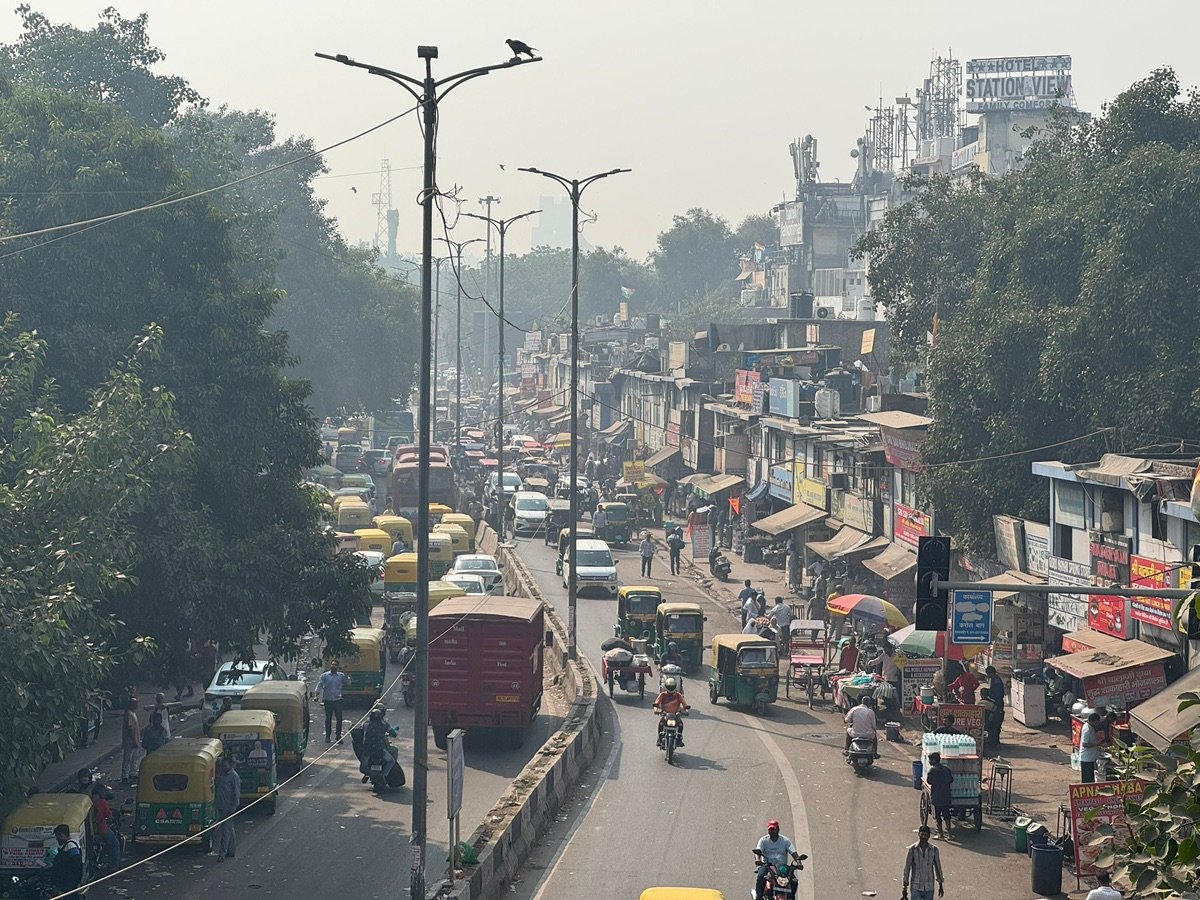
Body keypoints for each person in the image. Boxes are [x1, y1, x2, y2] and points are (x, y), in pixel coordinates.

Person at [753, 820, 804, 900]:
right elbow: (758, 851)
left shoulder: (785, 841)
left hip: (781, 868)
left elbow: (794, 853)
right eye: (770, 829)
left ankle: (791, 897)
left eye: (773, 829)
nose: (772, 832)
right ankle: (758, 897)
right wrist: (757, 859)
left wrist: (799, 863)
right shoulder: (763, 840)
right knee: (761, 876)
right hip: (767, 866)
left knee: (794, 881)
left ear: (778, 829)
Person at [901, 824, 945, 900]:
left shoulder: (934, 850)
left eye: (926, 835)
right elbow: (907, 868)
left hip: (929, 887)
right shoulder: (912, 849)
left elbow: (938, 868)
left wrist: (940, 885)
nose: (924, 837)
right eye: (922, 834)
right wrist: (905, 886)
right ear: (918, 834)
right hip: (916, 886)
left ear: (929, 836)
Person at [361, 705, 399, 783]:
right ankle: (383, 776)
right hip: (379, 749)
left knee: (363, 768)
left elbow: (360, 730)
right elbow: (393, 733)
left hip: (368, 750)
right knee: (391, 761)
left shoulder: (366, 723)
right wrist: (394, 732)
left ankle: (369, 774)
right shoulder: (384, 724)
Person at [315, 662, 351, 744]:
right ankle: (327, 736)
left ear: (337, 666)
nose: (333, 666)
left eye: (335, 665)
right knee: (328, 718)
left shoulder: (341, 676)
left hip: (338, 699)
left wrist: (345, 673)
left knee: (339, 718)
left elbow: (348, 683)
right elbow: (319, 685)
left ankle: (338, 736)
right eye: (332, 664)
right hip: (328, 700)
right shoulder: (325, 676)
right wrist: (316, 695)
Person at [924, 752, 955, 840]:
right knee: (947, 815)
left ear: (934, 760)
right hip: (946, 795)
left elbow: (929, 781)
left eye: (930, 760)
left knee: (937, 816)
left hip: (936, 796)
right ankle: (949, 835)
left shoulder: (932, 771)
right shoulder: (946, 769)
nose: (929, 761)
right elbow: (951, 780)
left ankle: (941, 835)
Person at [215, 756, 240, 860]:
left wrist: (233, 807)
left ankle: (222, 854)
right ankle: (231, 850)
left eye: (225, 766)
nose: (224, 767)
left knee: (225, 831)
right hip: (221, 806)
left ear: (230, 765)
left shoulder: (234, 777)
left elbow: (236, 793)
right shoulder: (222, 774)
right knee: (229, 829)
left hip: (228, 808)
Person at [653, 676, 689, 748]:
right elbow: (656, 703)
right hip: (665, 715)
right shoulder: (662, 695)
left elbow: (685, 704)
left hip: (676, 715)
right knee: (661, 724)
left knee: (680, 724)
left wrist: (686, 710)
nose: (671, 688)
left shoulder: (678, 695)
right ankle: (659, 739)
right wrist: (656, 710)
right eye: (669, 686)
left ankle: (679, 738)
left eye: (672, 686)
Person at [91, 784, 120, 870]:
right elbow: (109, 814)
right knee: (115, 844)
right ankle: (115, 866)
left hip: (93, 830)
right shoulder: (102, 802)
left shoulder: (91, 803)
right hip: (102, 830)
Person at [48, 824, 84, 893]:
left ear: (62, 835)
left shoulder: (71, 847)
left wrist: (75, 883)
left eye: (57, 836)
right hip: (67, 883)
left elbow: (77, 866)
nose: (56, 839)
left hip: (69, 884)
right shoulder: (68, 846)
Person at [121, 695, 141, 785]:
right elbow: (130, 728)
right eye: (135, 704)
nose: (136, 705)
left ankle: (133, 773)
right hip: (130, 741)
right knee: (128, 758)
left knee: (134, 757)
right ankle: (125, 775)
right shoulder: (129, 714)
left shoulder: (132, 713)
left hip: (134, 739)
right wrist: (134, 739)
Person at [1080, 711, 1103, 783]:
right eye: (1096, 722)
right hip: (1087, 758)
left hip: (1090, 758)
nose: (1097, 724)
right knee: (1087, 780)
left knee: (1091, 778)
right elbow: (1084, 744)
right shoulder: (1087, 729)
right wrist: (1097, 744)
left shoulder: (1090, 727)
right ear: (1092, 721)